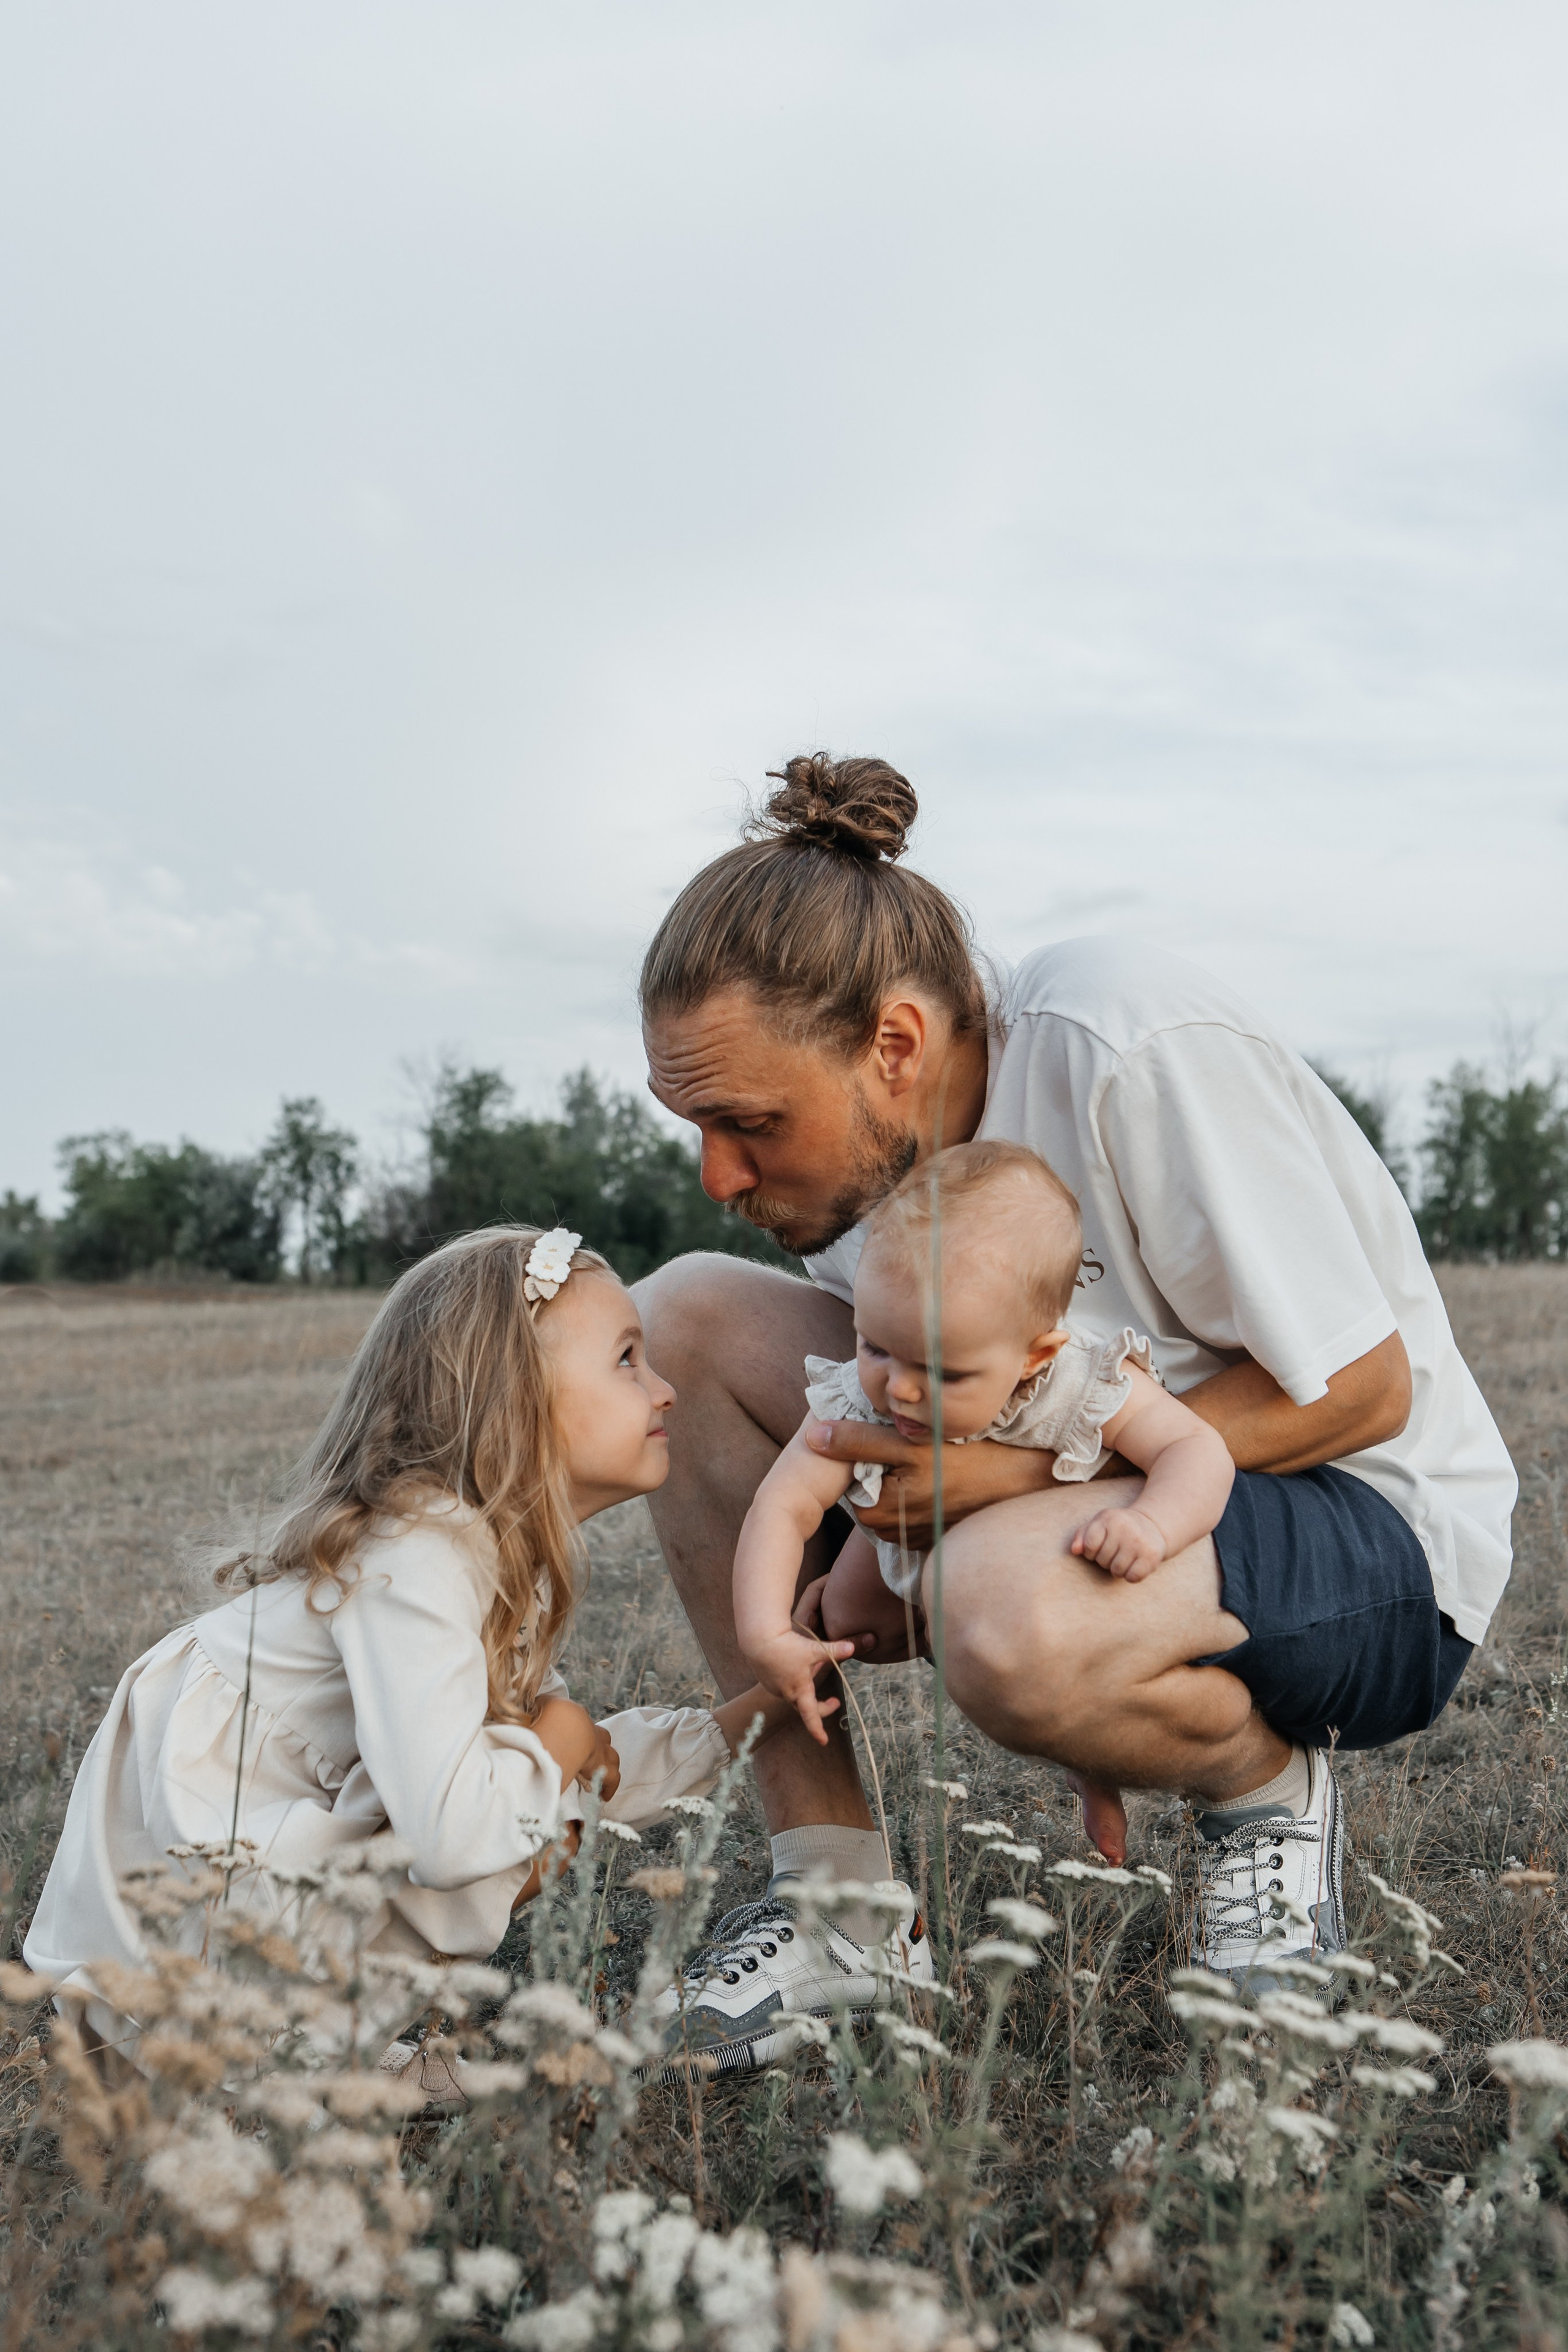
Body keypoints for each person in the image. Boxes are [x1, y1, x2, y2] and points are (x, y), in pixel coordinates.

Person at [632, 752, 1515, 2066]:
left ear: (894, 1046)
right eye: (692, 1125)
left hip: (1373, 1546)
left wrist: (985, 1492)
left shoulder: (1120, 1041)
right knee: (675, 1325)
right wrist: (875, 1547)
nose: (718, 1174)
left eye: (748, 1121)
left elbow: (1361, 1388)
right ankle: (837, 1902)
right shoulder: (861, 1184)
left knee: (997, 1598)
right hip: (1112, 1512)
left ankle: (1266, 1797)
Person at [24, 1225, 797, 2071]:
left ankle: (306, 2050)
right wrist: (564, 1737)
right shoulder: (421, 1550)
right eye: (627, 1360)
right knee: (524, 1798)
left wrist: (768, 1707)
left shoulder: (485, 1558)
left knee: (535, 1779)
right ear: (514, 1399)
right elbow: (458, 1836)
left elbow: (579, 1776)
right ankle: (279, 2055)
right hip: (183, 1947)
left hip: (239, 1908)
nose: (666, 1390)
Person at [734, 1140, 1235, 1767]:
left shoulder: (1081, 1382)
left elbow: (1195, 1446)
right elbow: (783, 1505)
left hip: (1040, 1554)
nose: (900, 1389)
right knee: (849, 1618)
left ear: (1035, 1356)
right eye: (876, 1347)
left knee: (1020, 1645)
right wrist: (765, 1633)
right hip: (925, 1549)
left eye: (943, 1373)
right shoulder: (856, 1398)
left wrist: (1153, 1523)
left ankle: (1092, 1766)